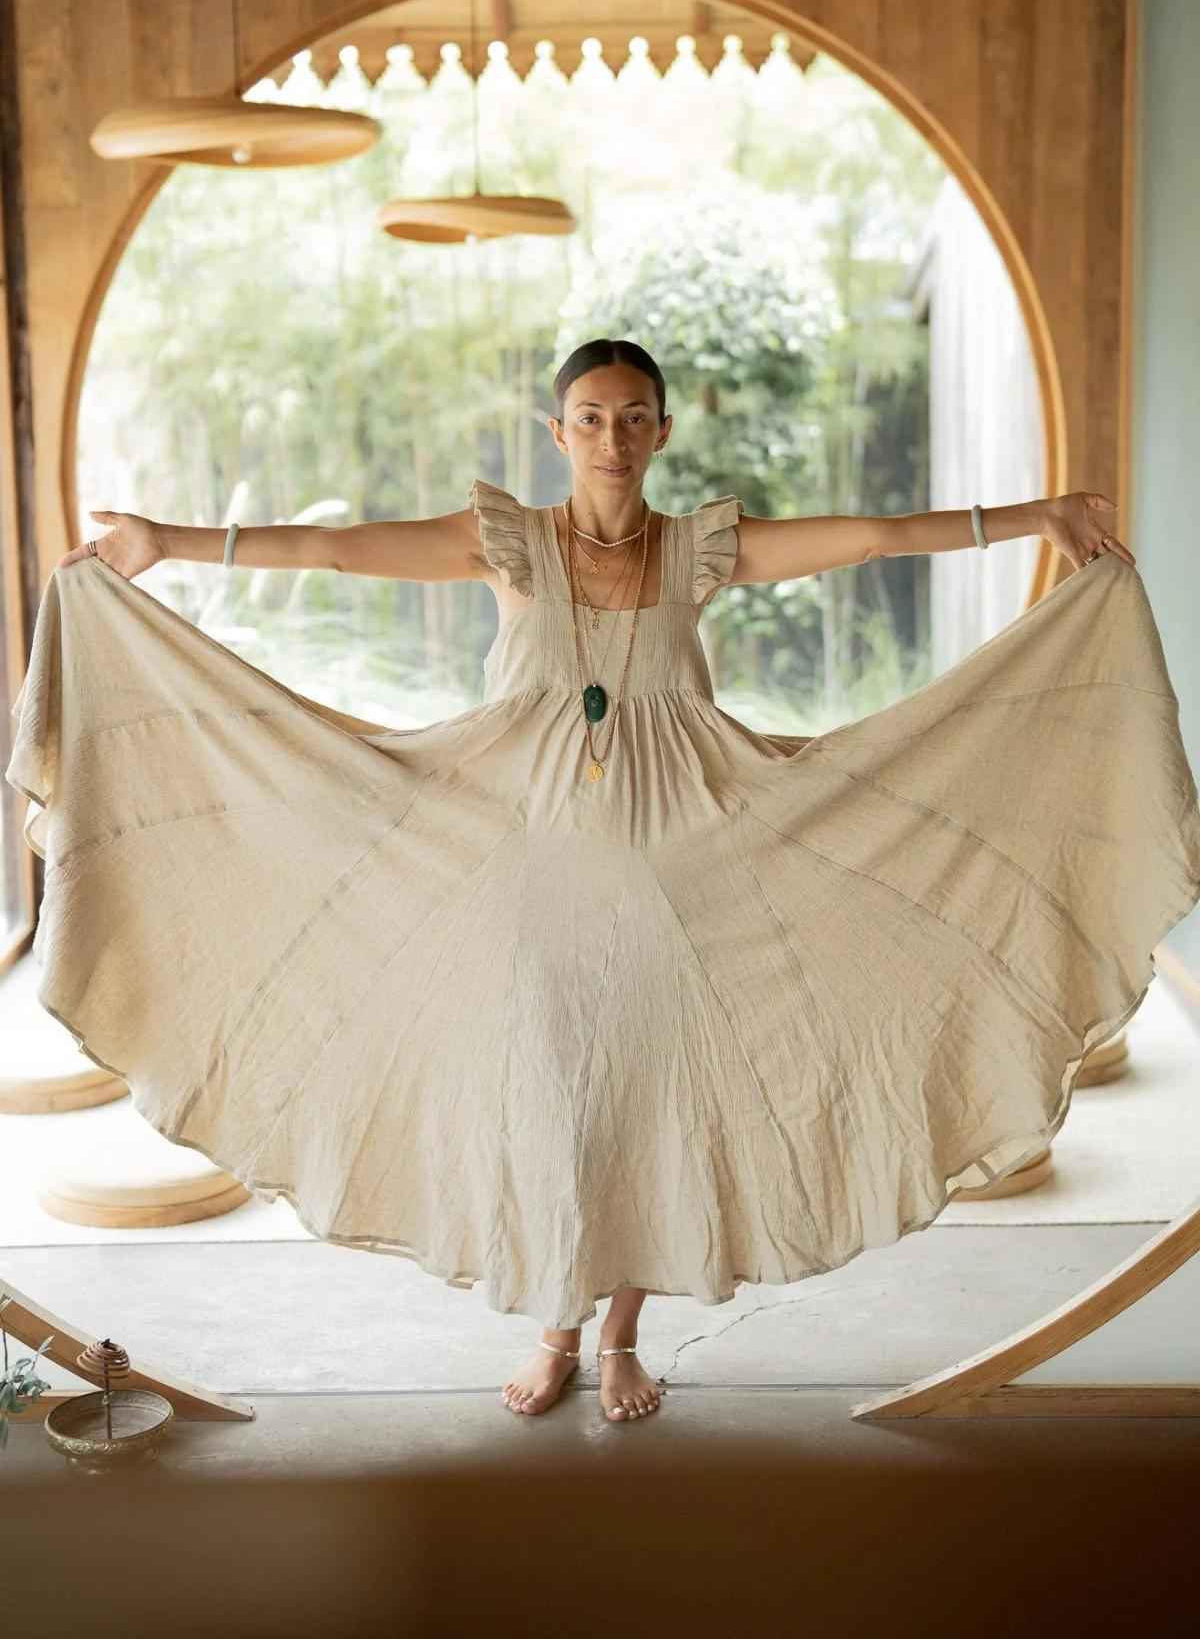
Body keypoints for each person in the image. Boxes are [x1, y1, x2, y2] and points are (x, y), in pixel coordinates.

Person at [10, 337, 1200, 1426]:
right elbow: (333, 546)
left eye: (635, 418)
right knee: (548, 1088)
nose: (613, 437)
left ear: (663, 432)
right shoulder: (508, 541)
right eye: (590, 416)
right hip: (525, 864)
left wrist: (1030, 516)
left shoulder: (700, 550)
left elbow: (875, 534)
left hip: (693, 865)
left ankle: (622, 1337)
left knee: (645, 1096)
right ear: (557, 431)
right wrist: (170, 542)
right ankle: (557, 1326)